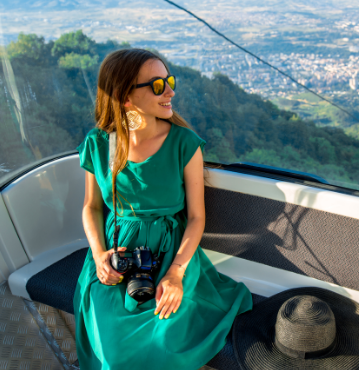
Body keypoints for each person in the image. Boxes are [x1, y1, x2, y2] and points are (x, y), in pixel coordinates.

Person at [73, 48, 253, 369]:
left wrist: (175, 273)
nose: (170, 91)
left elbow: (197, 217)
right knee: (109, 346)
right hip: (116, 251)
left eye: (169, 81)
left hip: (172, 252)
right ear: (125, 97)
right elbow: (91, 207)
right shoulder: (98, 144)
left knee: (165, 339)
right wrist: (100, 254)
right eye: (157, 85)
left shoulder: (184, 143)